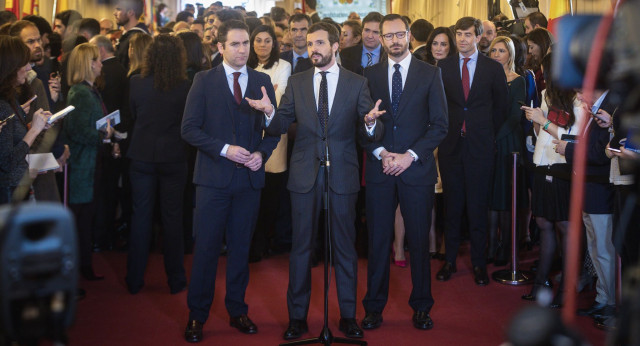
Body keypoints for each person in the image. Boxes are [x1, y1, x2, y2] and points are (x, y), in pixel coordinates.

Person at [246, 21, 381, 341]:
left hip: (343, 175)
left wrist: (371, 124)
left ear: (335, 46)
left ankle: (348, 315)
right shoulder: (296, 81)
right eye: (309, 43)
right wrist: (268, 112)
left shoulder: (356, 83)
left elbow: (366, 133)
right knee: (301, 249)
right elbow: (280, 124)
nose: (313, 48)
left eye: (319, 42)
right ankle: (297, 317)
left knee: (345, 250)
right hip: (305, 174)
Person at [181, 20, 280, 343]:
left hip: (249, 181)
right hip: (213, 181)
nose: (242, 50)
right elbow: (190, 129)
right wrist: (225, 149)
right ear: (220, 47)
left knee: (240, 250)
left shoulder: (262, 80)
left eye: (246, 44)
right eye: (235, 44)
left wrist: (261, 153)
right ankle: (197, 315)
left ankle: (237, 310)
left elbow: (274, 130)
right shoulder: (204, 80)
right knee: (207, 250)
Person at [360, 14, 448, 331]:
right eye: (388, 36)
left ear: (409, 35)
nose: (395, 40)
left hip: (416, 169)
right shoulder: (367, 76)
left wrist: (409, 156)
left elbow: (440, 125)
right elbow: (364, 124)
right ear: (381, 39)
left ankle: (422, 306)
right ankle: (373, 307)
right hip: (381, 167)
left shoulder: (429, 74)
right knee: (378, 241)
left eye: (400, 34)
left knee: (419, 242)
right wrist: (381, 151)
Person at [435, 17, 508, 286]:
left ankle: (479, 264)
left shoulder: (492, 68)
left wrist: (483, 131)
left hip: (480, 146)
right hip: (451, 146)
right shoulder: (442, 66)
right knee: (451, 207)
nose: (463, 39)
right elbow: (438, 105)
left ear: (478, 37)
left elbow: (501, 108)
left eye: (468, 34)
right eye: (459, 34)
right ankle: (450, 261)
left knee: (478, 207)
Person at [126, 34, 190, 295]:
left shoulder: (136, 83)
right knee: (172, 218)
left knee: (140, 216)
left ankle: (134, 280)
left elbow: (131, 116)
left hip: (142, 155)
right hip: (174, 157)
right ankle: (175, 279)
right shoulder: (186, 86)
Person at [520, 53, 586, 306]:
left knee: (565, 227)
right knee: (544, 224)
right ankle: (540, 282)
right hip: (541, 162)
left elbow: (572, 139)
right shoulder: (547, 94)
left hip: (564, 168)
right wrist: (536, 122)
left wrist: (543, 121)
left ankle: (566, 290)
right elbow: (542, 136)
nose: (546, 77)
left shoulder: (579, 100)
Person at [63, 43, 114, 281]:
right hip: (83, 165)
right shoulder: (80, 92)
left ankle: (84, 266)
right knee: (81, 218)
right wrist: (103, 135)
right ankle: (79, 268)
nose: (101, 64)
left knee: (86, 217)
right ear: (89, 64)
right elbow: (78, 131)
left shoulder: (89, 90)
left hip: (90, 162)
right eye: (98, 60)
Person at [247, 25, 292, 261]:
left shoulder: (284, 66)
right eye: (258, 40)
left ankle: (264, 242)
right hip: (247, 137)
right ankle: (250, 244)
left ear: (274, 44)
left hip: (274, 139)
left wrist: (260, 101)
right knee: (249, 197)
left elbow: (279, 99)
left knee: (271, 197)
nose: (262, 45)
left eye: (267, 41)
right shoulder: (244, 65)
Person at [487, 36, 526, 265]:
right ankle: (491, 244)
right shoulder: (486, 78)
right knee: (490, 195)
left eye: (501, 51)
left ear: (510, 55)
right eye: (493, 50)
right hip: (488, 140)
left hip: (508, 141)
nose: (496, 54)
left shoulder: (517, 80)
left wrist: (495, 138)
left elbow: (514, 117)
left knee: (505, 196)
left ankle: (505, 247)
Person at [0, 36, 52, 204]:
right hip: (9, 194)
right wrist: (34, 130)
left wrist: (23, 119)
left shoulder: (10, 97)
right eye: (24, 64)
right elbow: (7, 162)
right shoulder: (3, 104)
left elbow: (11, 137)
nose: (29, 67)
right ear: (11, 67)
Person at [114, 0, 150, 70]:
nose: (114, 13)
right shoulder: (126, 34)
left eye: (119, 9)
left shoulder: (138, 37)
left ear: (130, 12)